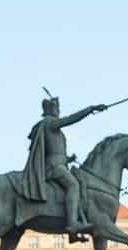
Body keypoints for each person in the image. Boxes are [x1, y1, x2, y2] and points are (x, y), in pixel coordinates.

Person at [22, 94, 107, 234]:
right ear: (51, 109)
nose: (59, 111)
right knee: (73, 185)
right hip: (54, 167)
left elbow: (53, 152)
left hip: (59, 165)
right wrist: (90, 109)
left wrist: (68, 159)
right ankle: (72, 223)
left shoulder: (51, 127)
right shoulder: (50, 123)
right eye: (57, 108)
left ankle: (76, 223)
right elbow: (71, 119)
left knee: (80, 183)